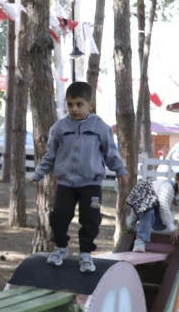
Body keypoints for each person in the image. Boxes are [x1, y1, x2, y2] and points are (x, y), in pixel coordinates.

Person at [31, 81, 129, 273]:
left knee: (90, 219)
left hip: (91, 183)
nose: (74, 109)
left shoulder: (100, 128)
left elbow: (111, 152)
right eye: (70, 104)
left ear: (90, 105)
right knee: (59, 216)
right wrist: (39, 173)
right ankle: (60, 248)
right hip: (66, 183)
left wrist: (120, 170)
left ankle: (86, 254)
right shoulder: (59, 128)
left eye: (79, 104)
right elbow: (50, 155)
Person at [126, 166, 179, 252]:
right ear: (177, 179)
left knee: (161, 224)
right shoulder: (168, 188)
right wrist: (172, 229)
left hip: (157, 203)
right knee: (148, 212)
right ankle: (140, 241)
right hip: (145, 195)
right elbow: (164, 208)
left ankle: (142, 221)